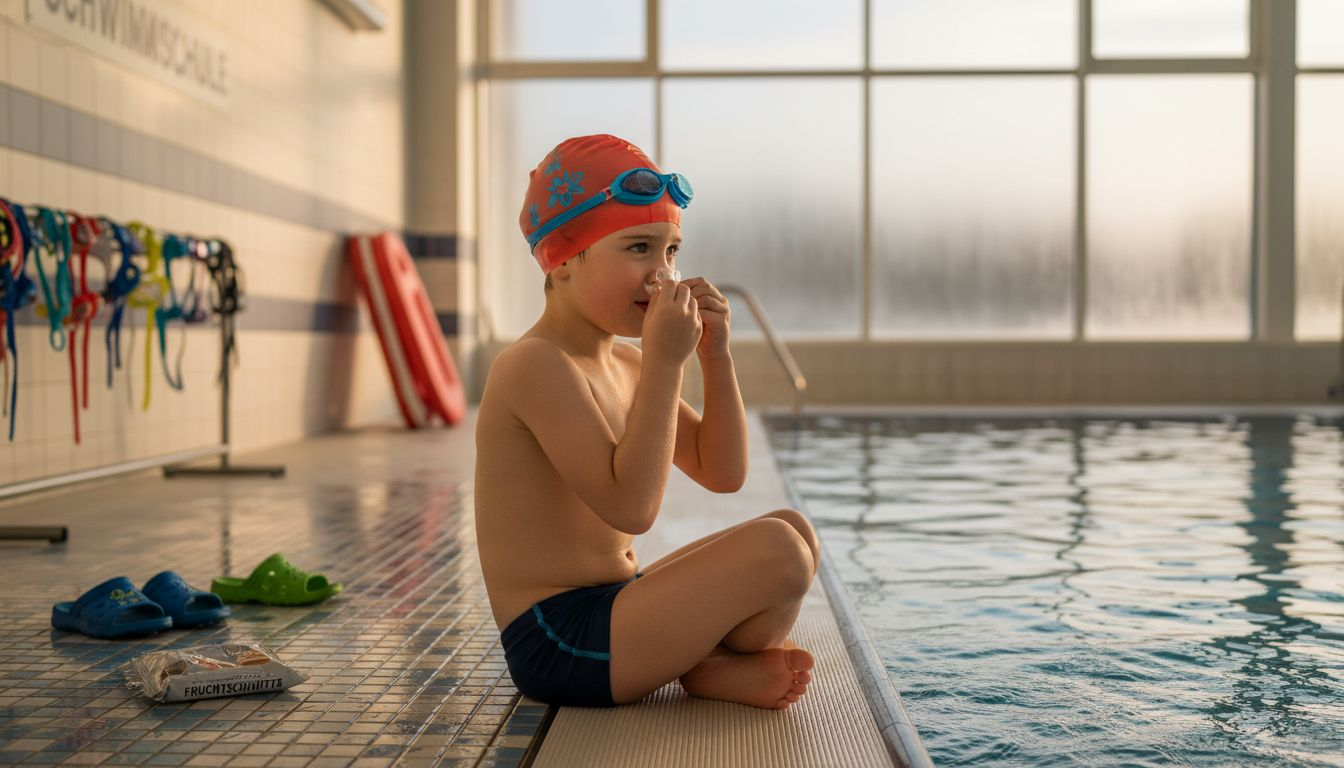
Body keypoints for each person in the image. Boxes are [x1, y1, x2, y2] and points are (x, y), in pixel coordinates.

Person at [474, 134, 819, 709]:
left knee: (795, 530)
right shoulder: (534, 365)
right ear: (561, 259)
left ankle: (707, 666)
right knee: (779, 550)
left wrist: (715, 355)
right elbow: (632, 508)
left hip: (616, 605)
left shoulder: (627, 362)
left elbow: (723, 472)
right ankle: (705, 663)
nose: (663, 275)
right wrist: (665, 362)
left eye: (672, 252)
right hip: (558, 642)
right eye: (639, 248)